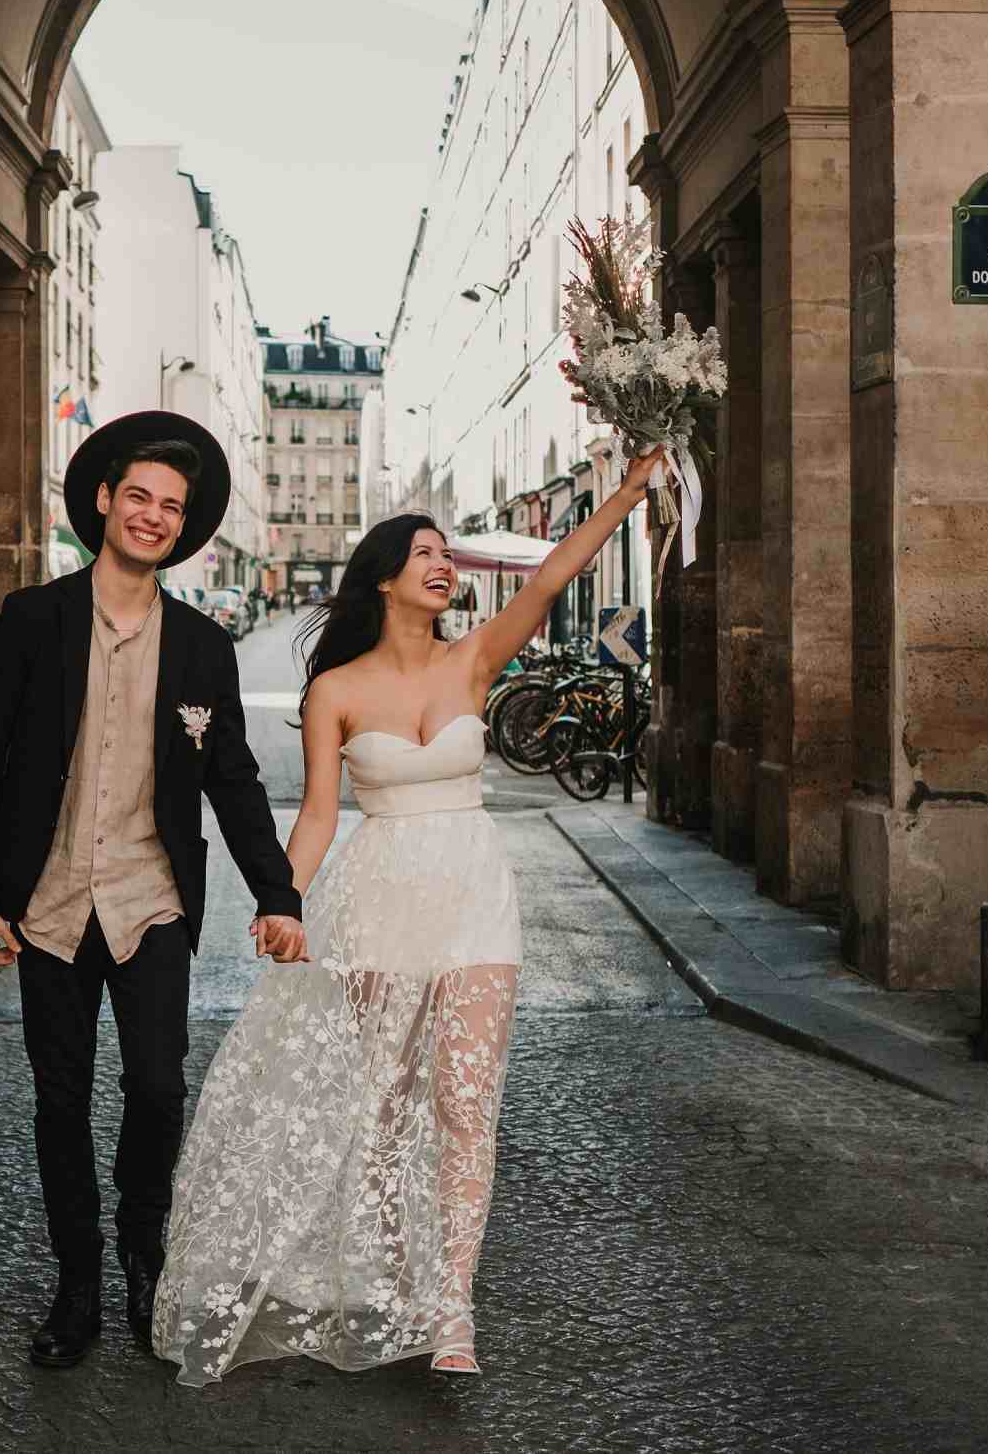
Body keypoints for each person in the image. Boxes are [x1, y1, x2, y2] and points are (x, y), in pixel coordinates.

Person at [150, 444, 665, 1385]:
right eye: (425, 551)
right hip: (379, 896)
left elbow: (552, 576)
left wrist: (626, 491)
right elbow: (312, 815)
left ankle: (452, 1304)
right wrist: (281, 900)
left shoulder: (475, 659)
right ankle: (392, 1272)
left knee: (467, 1105)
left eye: (448, 553)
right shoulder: (334, 692)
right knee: (384, 1108)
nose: (445, 564)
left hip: (474, 891)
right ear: (385, 577)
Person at [0, 410, 310, 1371]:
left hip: (151, 902)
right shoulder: (34, 621)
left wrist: (278, 895)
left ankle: (143, 1248)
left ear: (183, 526)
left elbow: (232, 777)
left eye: (171, 507)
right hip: (50, 907)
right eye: (139, 496)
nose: (152, 516)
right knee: (58, 1100)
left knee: (156, 1085)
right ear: (104, 501)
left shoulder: (202, 646)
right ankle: (76, 1283)